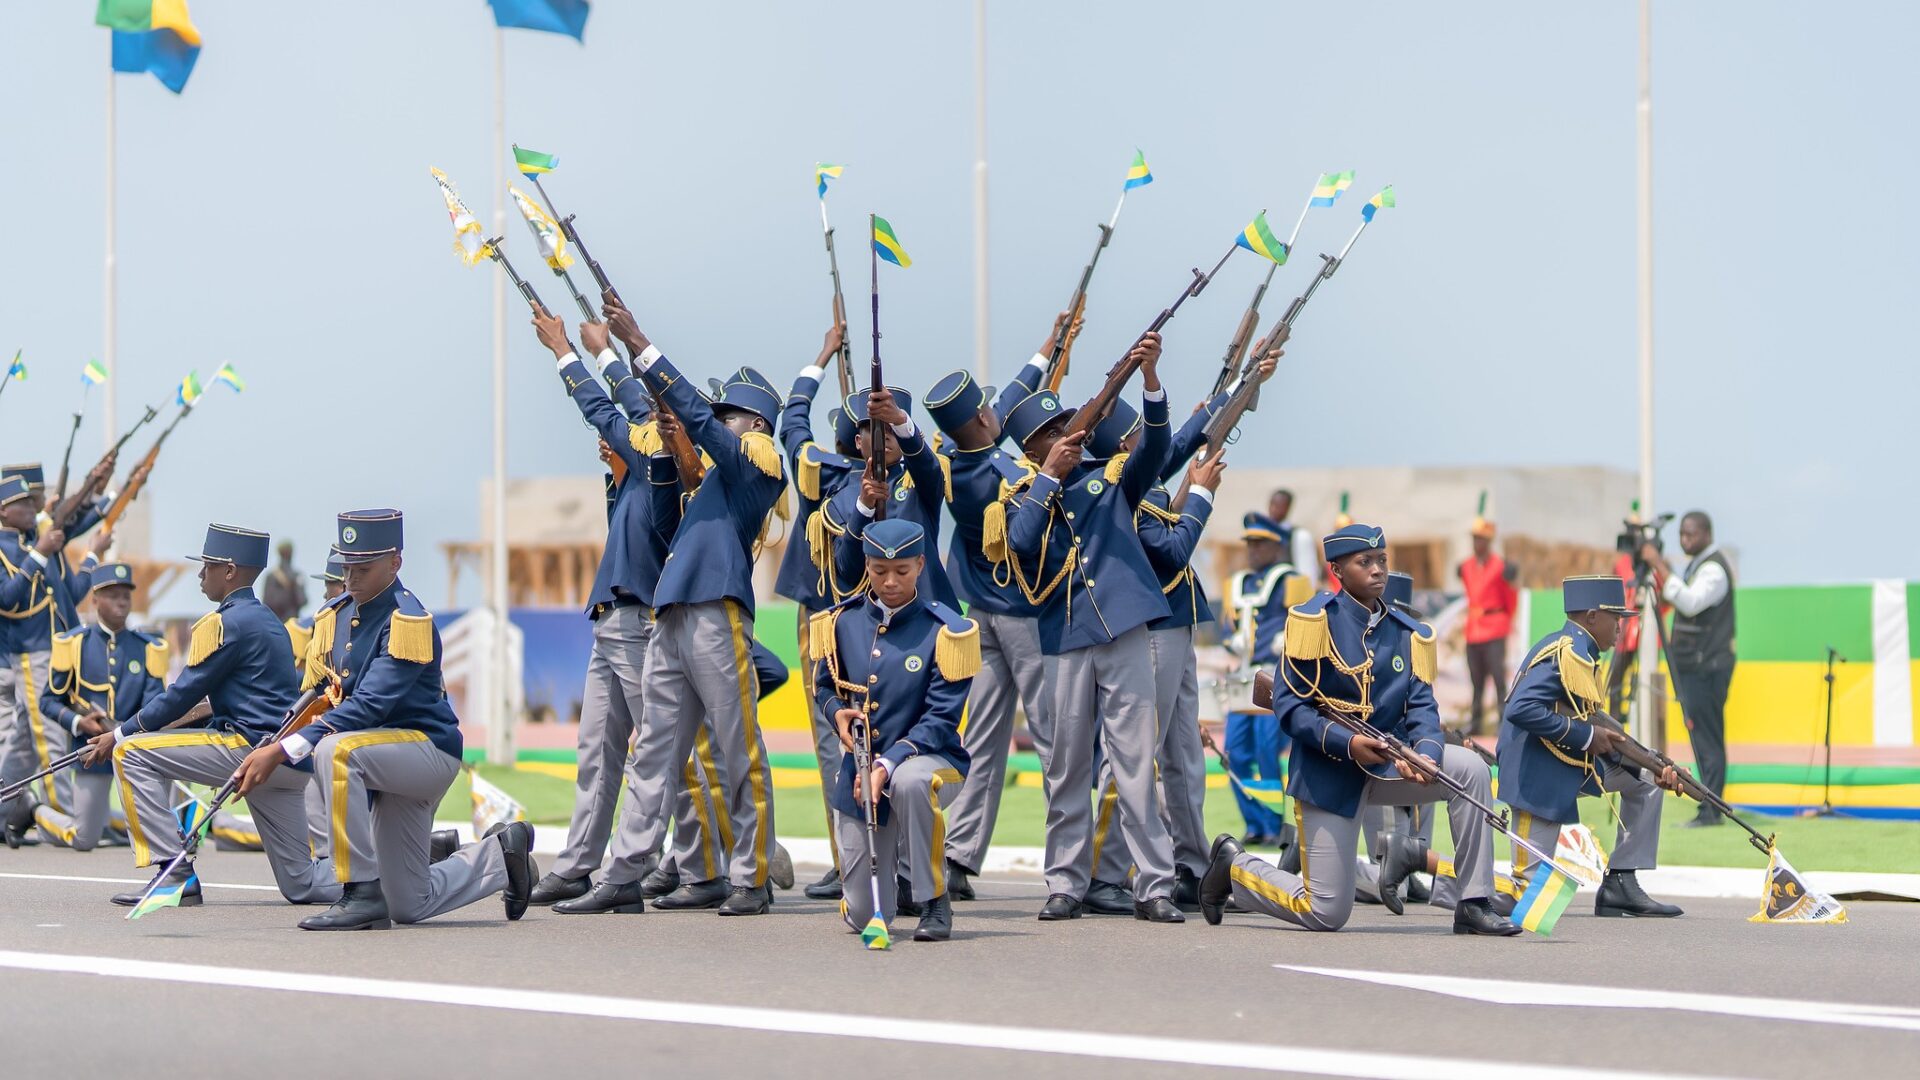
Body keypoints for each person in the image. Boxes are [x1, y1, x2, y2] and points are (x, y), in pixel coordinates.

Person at [1197, 523, 1519, 936]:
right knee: (1326, 912)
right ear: (1337, 570)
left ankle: (1473, 902)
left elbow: (1423, 706)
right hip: (1329, 773)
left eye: (1381, 559)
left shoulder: (1407, 633)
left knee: (1470, 769)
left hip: (1388, 765)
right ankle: (1235, 868)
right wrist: (1348, 743)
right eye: (1364, 562)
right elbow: (1290, 707)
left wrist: (1426, 754)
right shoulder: (1313, 623)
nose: (1377, 569)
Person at [241, 509, 532, 930]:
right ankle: (503, 855)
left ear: (395, 563)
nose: (350, 577)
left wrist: (285, 750)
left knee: (335, 751)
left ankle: (360, 892)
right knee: (409, 903)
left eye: (363, 568)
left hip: (425, 752)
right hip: (380, 757)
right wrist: (277, 737)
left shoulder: (407, 620)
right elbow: (324, 693)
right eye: (346, 567)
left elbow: (369, 705)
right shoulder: (338, 615)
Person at [604, 293, 785, 916]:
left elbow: (700, 425)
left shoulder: (757, 469)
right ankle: (623, 873)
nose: (715, 422)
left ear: (754, 426)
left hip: (715, 612)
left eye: (726, 415)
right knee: (653, 752)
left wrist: (640, 345)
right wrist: (664, 440)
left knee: (738, 748)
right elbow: (665, 511)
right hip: (672, 612)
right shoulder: (707, 480)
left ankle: (751, 877)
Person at [997, 331, 1184, 924]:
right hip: (1065, 640)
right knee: (1068, 767)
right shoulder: (1022, 496)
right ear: (1031, 449)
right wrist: (1049, 478)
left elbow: (1157, 450)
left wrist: (1149, 381)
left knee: (1135, 765)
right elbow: (1022, 543)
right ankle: (1065, 883)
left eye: (1066, 424)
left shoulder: (1110, 479)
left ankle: (1154, 885)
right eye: (1050, 433)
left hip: (1124, 630)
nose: (1065, 435)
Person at [80, 524, 344, 910]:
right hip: (284, 761)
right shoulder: (266, 619)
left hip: (248, 749)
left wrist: (120, 733)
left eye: (209, 566)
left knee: (130, 753)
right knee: (302, 884)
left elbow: (182, 693)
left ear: (230, 571)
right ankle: (389, 878)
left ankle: (175, 875)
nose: (202, 574)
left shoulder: (227, 622)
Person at [523, 311, 665, 906]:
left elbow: (614, 409)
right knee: (596, 751)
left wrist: (568, 351)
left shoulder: (664, 463)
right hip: (611, 620)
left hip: (637, 621)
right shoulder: (634, 478)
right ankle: (579, 863)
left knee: (652, 750)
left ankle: (647, 866)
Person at [924, 328, 1054, 902]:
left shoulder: (952, 458)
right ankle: (1075, 864)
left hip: (978, 612)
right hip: (1026, 616)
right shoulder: (1006, 472)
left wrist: (1048, 351)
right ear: (982, 417)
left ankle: (957, 855)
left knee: (980, 741)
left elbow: (1004, 404)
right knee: (1055, 740)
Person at [812, 518, 977, 942]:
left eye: (902, 571)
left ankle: (933, 899)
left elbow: (940, 720)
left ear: (920, 565)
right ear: (866, 565)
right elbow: (824, 686)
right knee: (864, 915)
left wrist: (886, 765)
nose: (890, 582)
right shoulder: (842, 622)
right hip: (860, 773)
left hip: (930, 761)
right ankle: (884, 892)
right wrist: (837, 714)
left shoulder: (947, 631)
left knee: (910, 782)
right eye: (879, 570)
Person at [1499, 575, 1684, 918]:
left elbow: (1592, 721)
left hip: (1568, 766)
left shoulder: (1582, 651)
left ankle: (1620, 882)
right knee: (1525, 899)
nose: (1620, 627)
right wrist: (1586, 737)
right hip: (1535, 774)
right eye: (1616, 618)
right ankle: (1426, 865)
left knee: (1647, 783)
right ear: (1592, 617)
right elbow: (1520, 709)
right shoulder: (1565, 653)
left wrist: (1651, 765)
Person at [777, 323, 862, 901]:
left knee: (835, 740)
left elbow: (793, 419)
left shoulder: (819, 470)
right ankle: (868, 855)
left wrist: (821, 358)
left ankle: (849, 857)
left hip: (828, 621)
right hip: (857, 620)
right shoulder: (891, 477)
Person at [0, 467, 109, 839]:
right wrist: (39, 554)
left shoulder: (34, 539)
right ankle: (62, 820)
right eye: (22, 504)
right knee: (48, 737)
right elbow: (7, 599)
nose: (32, 508)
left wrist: (100, 494)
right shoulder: (14, 548)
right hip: (29, 652)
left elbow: (71, 523)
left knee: (25, 744)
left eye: (32, 503)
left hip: (56, 647)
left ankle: (3, 810)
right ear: (3, 510)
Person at [29, 563, 162, 850]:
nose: (121, 602)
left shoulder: (148, 647)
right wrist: (79, 722)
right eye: (112, 595)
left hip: (133, 751)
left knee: (156, 831)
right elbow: (48, 701)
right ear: (95, 599)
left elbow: (154, 705)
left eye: (125, 595)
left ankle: (107, 820)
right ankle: (33, 809)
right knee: (84, 837)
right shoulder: (74, 644)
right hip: (93, 754)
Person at [819, 386, 958, 610]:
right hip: (870, 616)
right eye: (874, 428)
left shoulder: (918, 481)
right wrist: (864, 508)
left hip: (924, 611)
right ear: (858, 441)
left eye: (892, 429)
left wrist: (901, 421)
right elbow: (848, 570)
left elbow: (926, 465)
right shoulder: (841, 500)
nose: (884, 435)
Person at [1221, 511, 1311, 846]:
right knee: (1234, 752)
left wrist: (1287, 640)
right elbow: (1227, 626)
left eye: (1260, 543)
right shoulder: (1237, 583)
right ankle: (1254, 823)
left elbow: (1306, 624)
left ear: (1277, 547)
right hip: (1243, 677)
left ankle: (1273, 824)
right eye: (1250, 543)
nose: (1253, 549)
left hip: (1274, 675)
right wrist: (1230, 641)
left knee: (1266, 750)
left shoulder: (1292, 581)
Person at [1640, 511, 1735, 827]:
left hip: (1706, 667)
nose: (1684, 540)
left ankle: (1711, 809)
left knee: (1707, 738)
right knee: (1703, 736)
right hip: (1697, 666)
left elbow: (1690, 602)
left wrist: (1659, 565)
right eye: (1681, 534)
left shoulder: (1714, 570)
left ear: (1707, 534)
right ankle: (1709, 806)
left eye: (1691, 534)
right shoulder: (1699, 566)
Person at [1458, 515, 1519, 734]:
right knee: (1476, 680)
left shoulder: (1500, 567)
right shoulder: (1466, 566)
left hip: (1494, 628)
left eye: (1481, 539)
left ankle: (1503, 721)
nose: (1477, 543)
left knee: (1498, 678)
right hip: (1473, 629)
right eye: (1475, 538)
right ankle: (1476, 722)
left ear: (1489, 541)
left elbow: (1510, 597)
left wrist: (1504, 619)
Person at [260, 540, 306, 624]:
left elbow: (266, 603)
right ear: (291, 553)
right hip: (293, 625)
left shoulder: (270, 576)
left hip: (274, 624)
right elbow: (302, 600)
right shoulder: (297, 576)